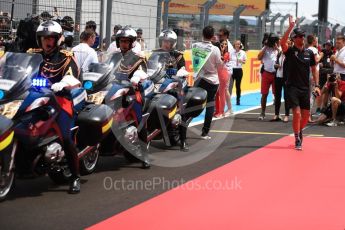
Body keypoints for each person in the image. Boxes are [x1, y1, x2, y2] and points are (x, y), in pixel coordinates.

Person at [28, 20, 82, 193]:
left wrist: (64, 83)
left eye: (51, 38)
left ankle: (75, 177)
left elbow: (73, 76)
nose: (47, 41)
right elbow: (16, 68)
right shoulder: (32, 54)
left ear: (58, 39)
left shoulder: (66, 57)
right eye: (43, 38)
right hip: (33, 99)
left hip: (59, 100)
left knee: (65, 137)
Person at [280, 16, 320, 150]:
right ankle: (297, 137)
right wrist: (290, 27)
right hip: (292, 87)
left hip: (305, 88)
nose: (302, 38)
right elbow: (282, 43)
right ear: (294, 39)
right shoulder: (290, 52)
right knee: (296, 114)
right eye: (299, 36)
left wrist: (317, 85)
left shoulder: (309, 53)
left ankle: (298, 130)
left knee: (305, 117)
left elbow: (314, 70)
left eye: (303, 36)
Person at [116, 26, 150, 168]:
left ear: (131, 43)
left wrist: (136, 77)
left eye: (126, 41)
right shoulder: (114, 56)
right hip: (115, 90)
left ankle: (145, 156)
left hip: (133, 91)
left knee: (138, 119)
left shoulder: (138, 58)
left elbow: (143, 72)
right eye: (121, 41)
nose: (123, 44)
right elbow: (104, 68)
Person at [154, 29, 189, 151]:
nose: (165, 44)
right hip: (159, 84)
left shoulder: (178, 56)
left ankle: (184, 141)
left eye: (168, 42)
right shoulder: (155, 54)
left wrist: (180, 73)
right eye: (163, 41)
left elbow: (183, 71)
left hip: (175, 84)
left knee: (181, 108)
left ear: (173, 43)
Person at [193, 26, 223, 140]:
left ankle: (183, 126)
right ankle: (205, 133)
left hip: (199, 79)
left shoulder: (195, 46)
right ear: (212, 36)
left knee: (193, 104)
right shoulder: (215, 49)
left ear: (202, 34)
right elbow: (220, 65)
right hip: (212, 80)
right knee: (210, 105)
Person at [257, 33, 279, 120]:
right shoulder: (265, 48)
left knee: (276, 94)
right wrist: (266, 46)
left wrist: (277, 47)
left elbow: (283, 54)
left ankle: (276, 114)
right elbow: (259, 57)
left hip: (276, 74)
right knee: (264, 94)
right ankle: (262, 112)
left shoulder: (277, 49)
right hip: (266, 73)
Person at [273, 38, 291, 122]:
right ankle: (276, 114)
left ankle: (287, 115)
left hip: (286, 78)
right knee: (277, 96)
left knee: (286, 97)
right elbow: (276, 64)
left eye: (287, 43)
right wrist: (276, 65)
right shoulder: (279, 53)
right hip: (278, 76)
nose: (285, 45)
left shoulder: (290, 54)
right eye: (284, 44)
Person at [306, 35, 322, 122]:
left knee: (309, 95)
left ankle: (306, 114)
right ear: (313, 41)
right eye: (315, 40)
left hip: (307, 73)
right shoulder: (314, 50)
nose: (316, 41)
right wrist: (321, 56)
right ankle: (308, 115)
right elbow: (316, 61)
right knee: (312, 95)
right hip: (313, 74)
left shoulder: (306, 49)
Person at [214, 38, 232, 117]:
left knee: (222, 93)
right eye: (222, 44)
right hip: (217, 74)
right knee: (217, 94)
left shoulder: (227, 53)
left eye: (225, 44)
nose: (224, 45)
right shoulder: (216, 52)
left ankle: (222, 112)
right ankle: (217, 111)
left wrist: (221, 50)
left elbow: (222, 61)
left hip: (223, 74)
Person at [229, 40, 247, 106]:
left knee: (238, 86)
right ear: (234, 45)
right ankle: (228, 100)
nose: (237, 45)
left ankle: (238, 99)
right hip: (232, 70)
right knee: (230, 86)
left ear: (240, 45)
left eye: (239, 44)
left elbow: (245, 61)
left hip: (239, 70)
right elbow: (228, 60)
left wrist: (241, 61)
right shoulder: (231, 52)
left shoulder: (243, 52)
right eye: (236, 44)